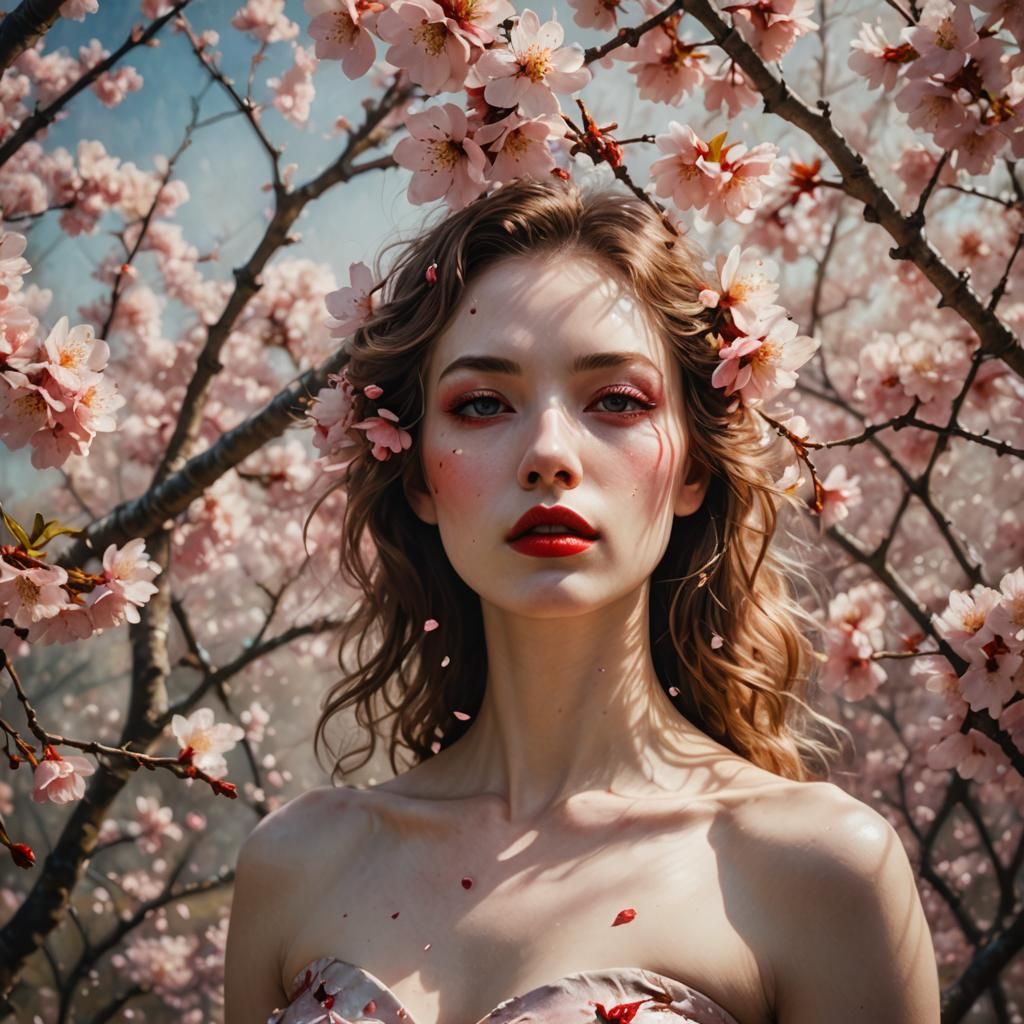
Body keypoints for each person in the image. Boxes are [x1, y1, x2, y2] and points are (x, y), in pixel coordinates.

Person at [224, 177, 941, 1024]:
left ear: (694, 468)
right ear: (416, 472)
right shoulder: (295, 863)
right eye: (483, 404)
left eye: (617, 401)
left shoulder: (815, 869)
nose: (548, 454)